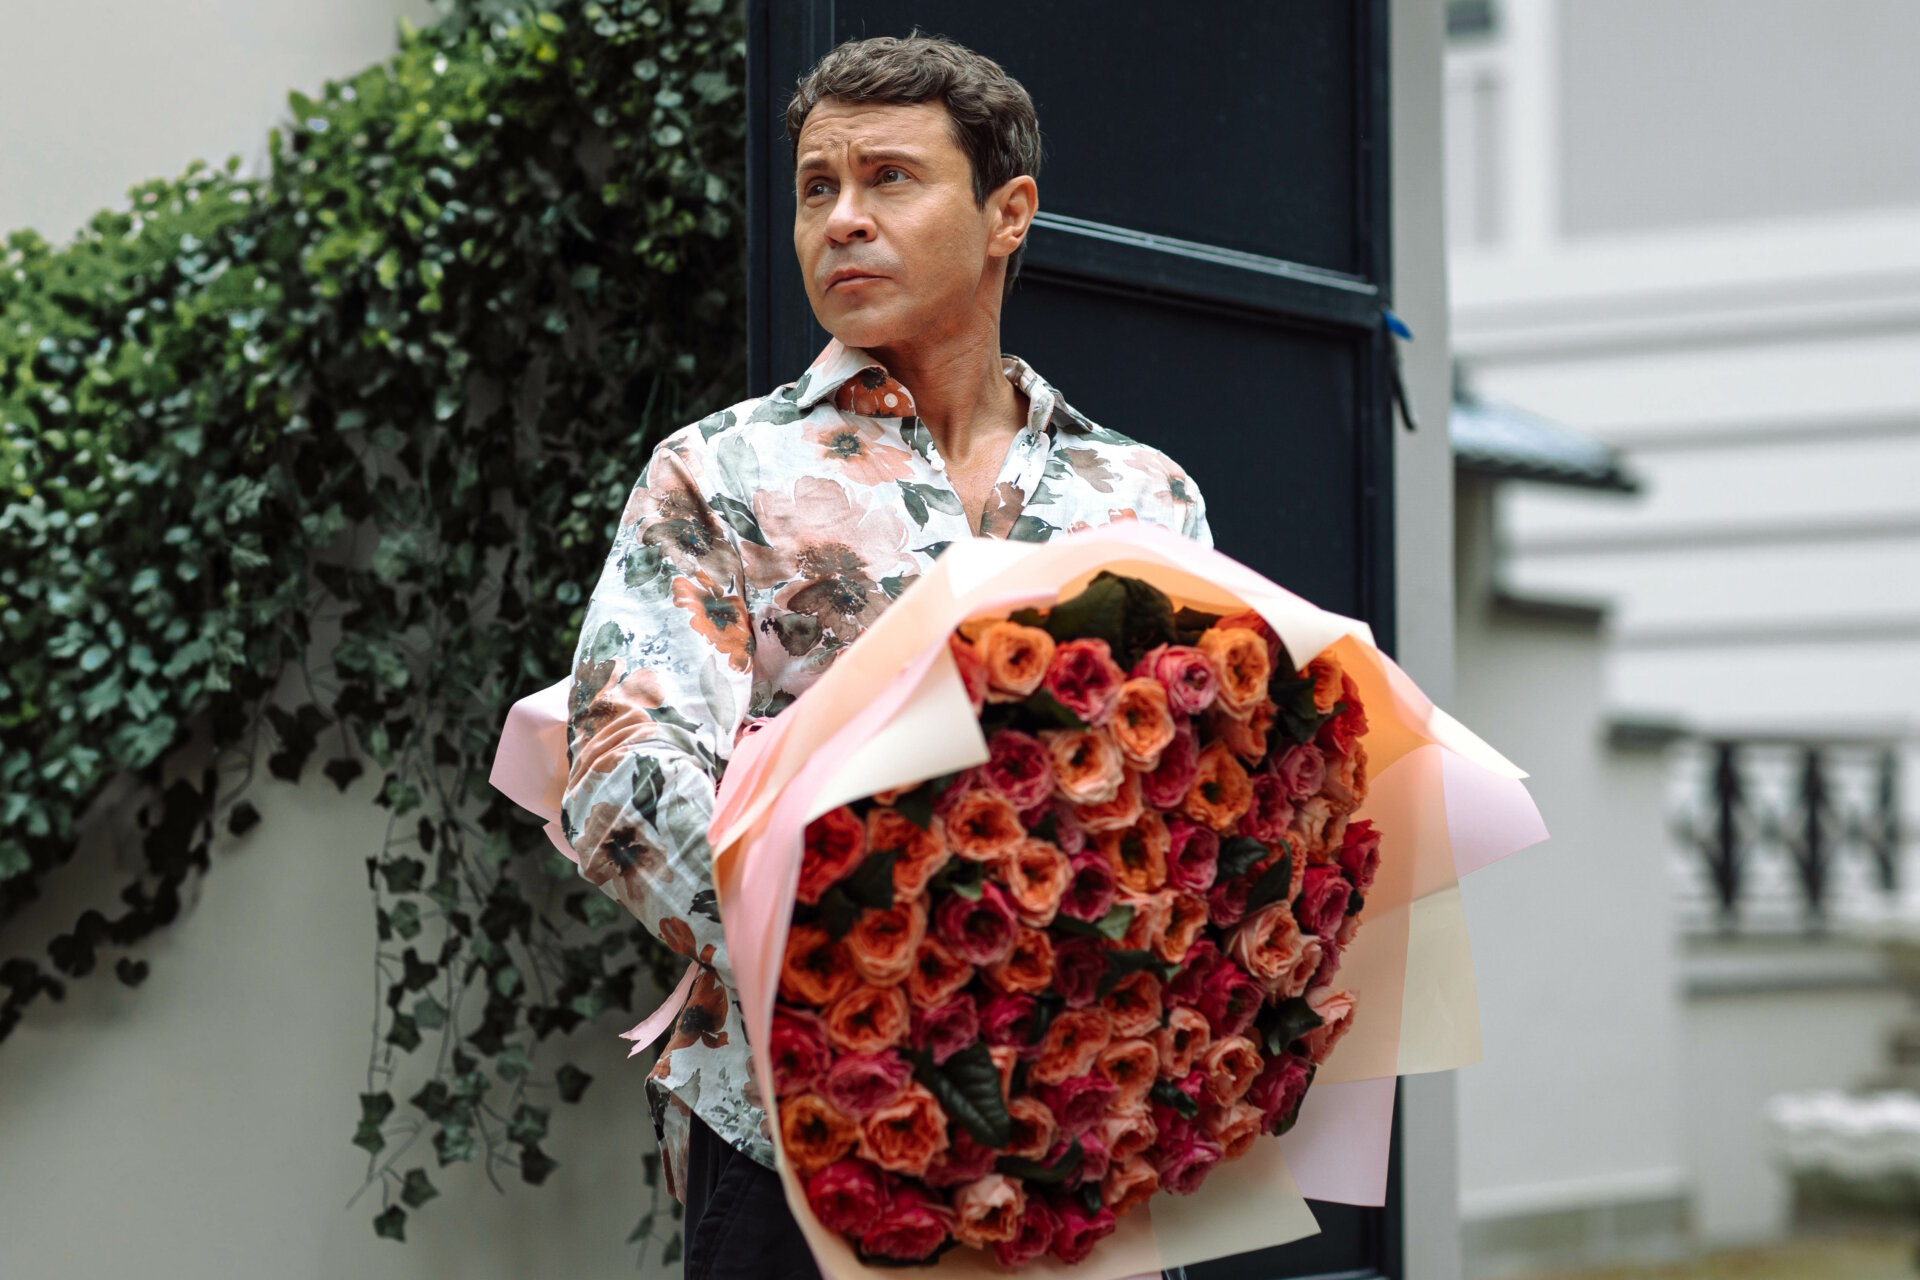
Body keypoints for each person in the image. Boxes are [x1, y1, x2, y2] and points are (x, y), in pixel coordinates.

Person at [561, 32, 1211, 1279]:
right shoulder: (720, 470)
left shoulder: (1144, 496)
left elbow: (1196, 793)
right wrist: (870, 960)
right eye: (818, 187)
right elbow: (620, 769)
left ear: (1008, 213)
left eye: (889, 179)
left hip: (1081, 1135)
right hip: (802, 1135)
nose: (842, 219)